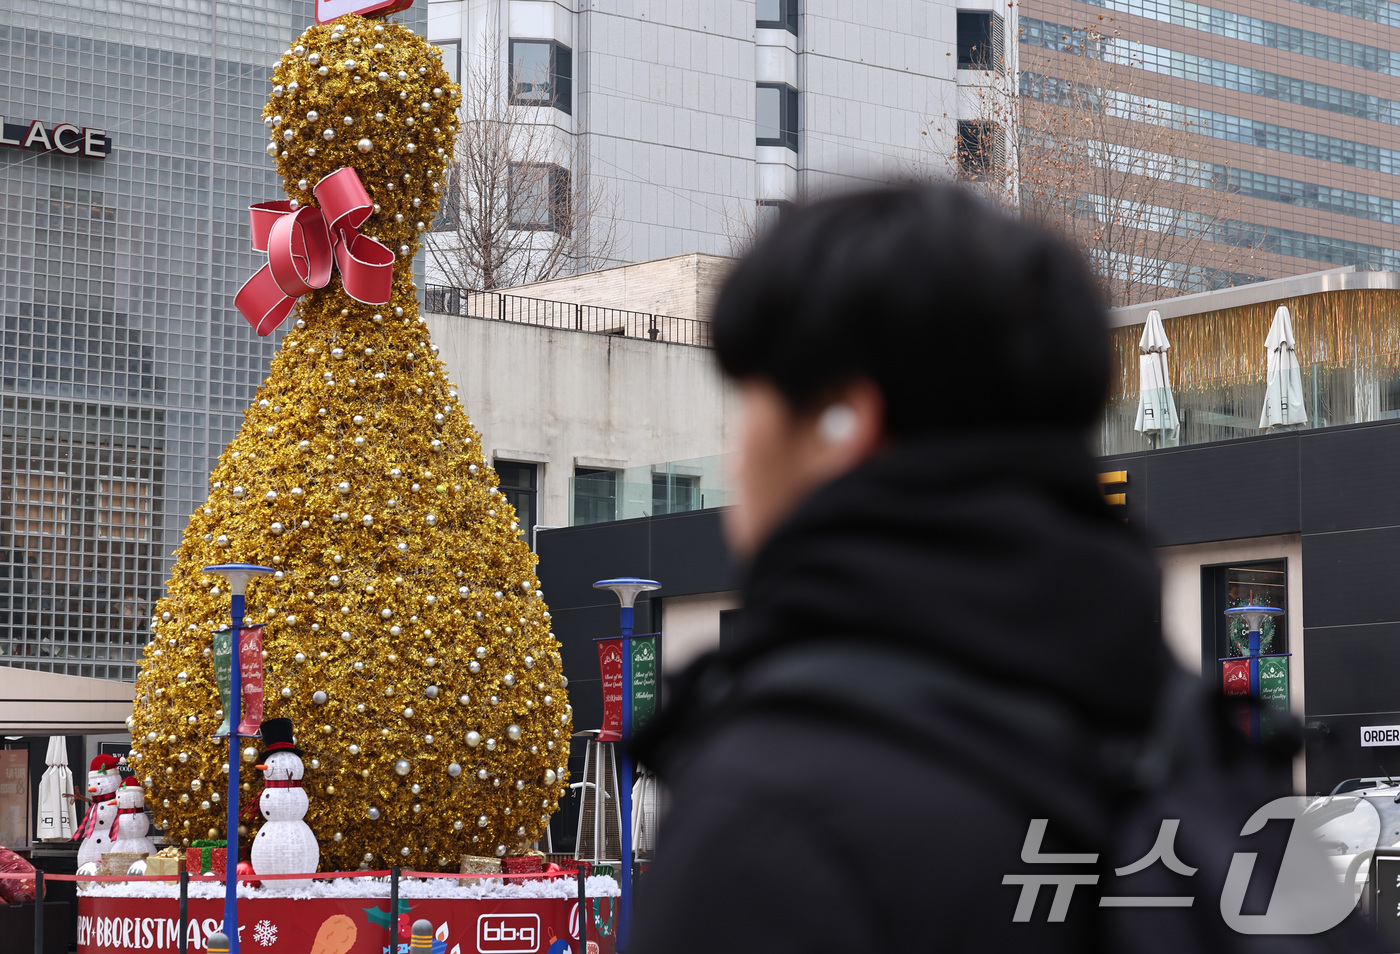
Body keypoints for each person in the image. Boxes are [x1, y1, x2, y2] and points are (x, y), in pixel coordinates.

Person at [627, 186, 1370, 952]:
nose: (735, 451)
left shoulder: (773, 807)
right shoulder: (1212, 765)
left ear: (843, 424)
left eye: (748, 402)